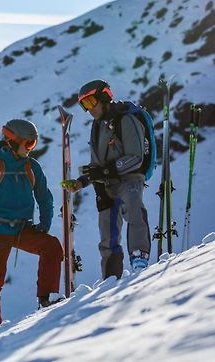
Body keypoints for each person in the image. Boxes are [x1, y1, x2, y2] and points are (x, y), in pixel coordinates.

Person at [0, 119, 63, 328]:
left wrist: (44, 225)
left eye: (33, 145)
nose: (30, 149)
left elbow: (45, 198)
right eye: (28, 144)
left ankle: (46, 299)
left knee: (52, 247)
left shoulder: (32, 167)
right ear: (12, 141)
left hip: (22, 227)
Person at [62, 80, 151, 280]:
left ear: (103, 97)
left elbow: (136, 157)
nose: (89, 109)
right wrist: (82, 182)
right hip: (106, 186)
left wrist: (106, 171)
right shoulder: (97, 127)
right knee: (107, 233)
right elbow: (97, 165)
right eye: (84, 105)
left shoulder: (125, 120)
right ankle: (111, 277)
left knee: (134, 211)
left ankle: (139, 259)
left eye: (91, 102)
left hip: (129, 179)